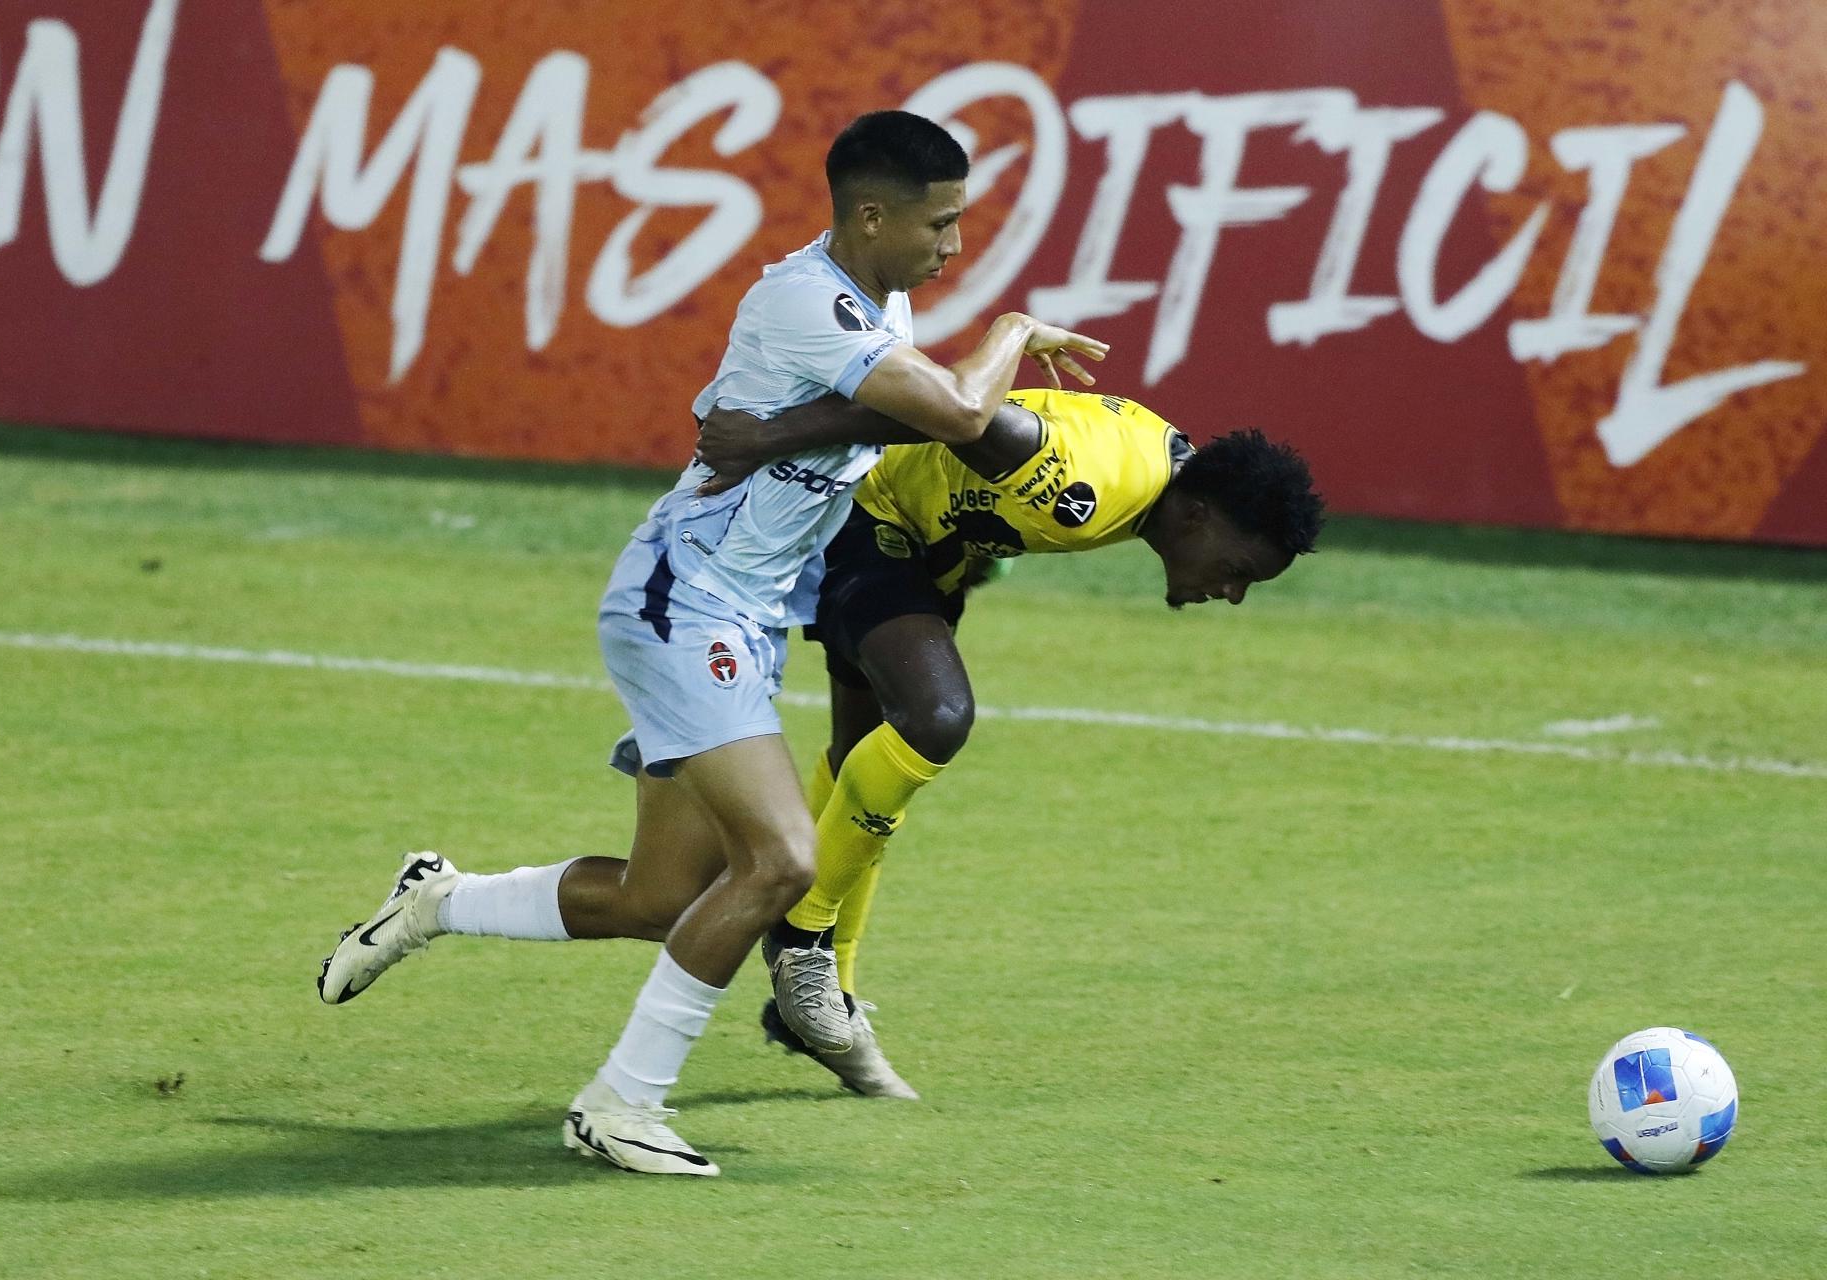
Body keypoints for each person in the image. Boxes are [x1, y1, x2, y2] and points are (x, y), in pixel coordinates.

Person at [313, 109, 1108, 1176]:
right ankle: (621, 1102)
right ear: (871, 215)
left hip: (741, 611)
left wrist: (782, 437)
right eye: (942, 223)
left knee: (661, 896)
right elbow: (962, 413)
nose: (953, 245)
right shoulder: (805, 299)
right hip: (686, 600)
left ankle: (437, 897)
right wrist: (1015, 328)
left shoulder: (882, 295)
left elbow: (895, 420)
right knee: (779, 858)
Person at [690, 385, 1326, 1096]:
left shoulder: (1161, 474)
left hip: (927, 541)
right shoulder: (1085, 481)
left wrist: (986, 535)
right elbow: (948, 411)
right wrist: (769, 436)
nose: (1232, 594)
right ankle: (800, 937)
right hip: (866, 514)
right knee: (935, 718)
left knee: (864, 754)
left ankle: (816, 996)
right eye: (1236, 571)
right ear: (1199, 516)